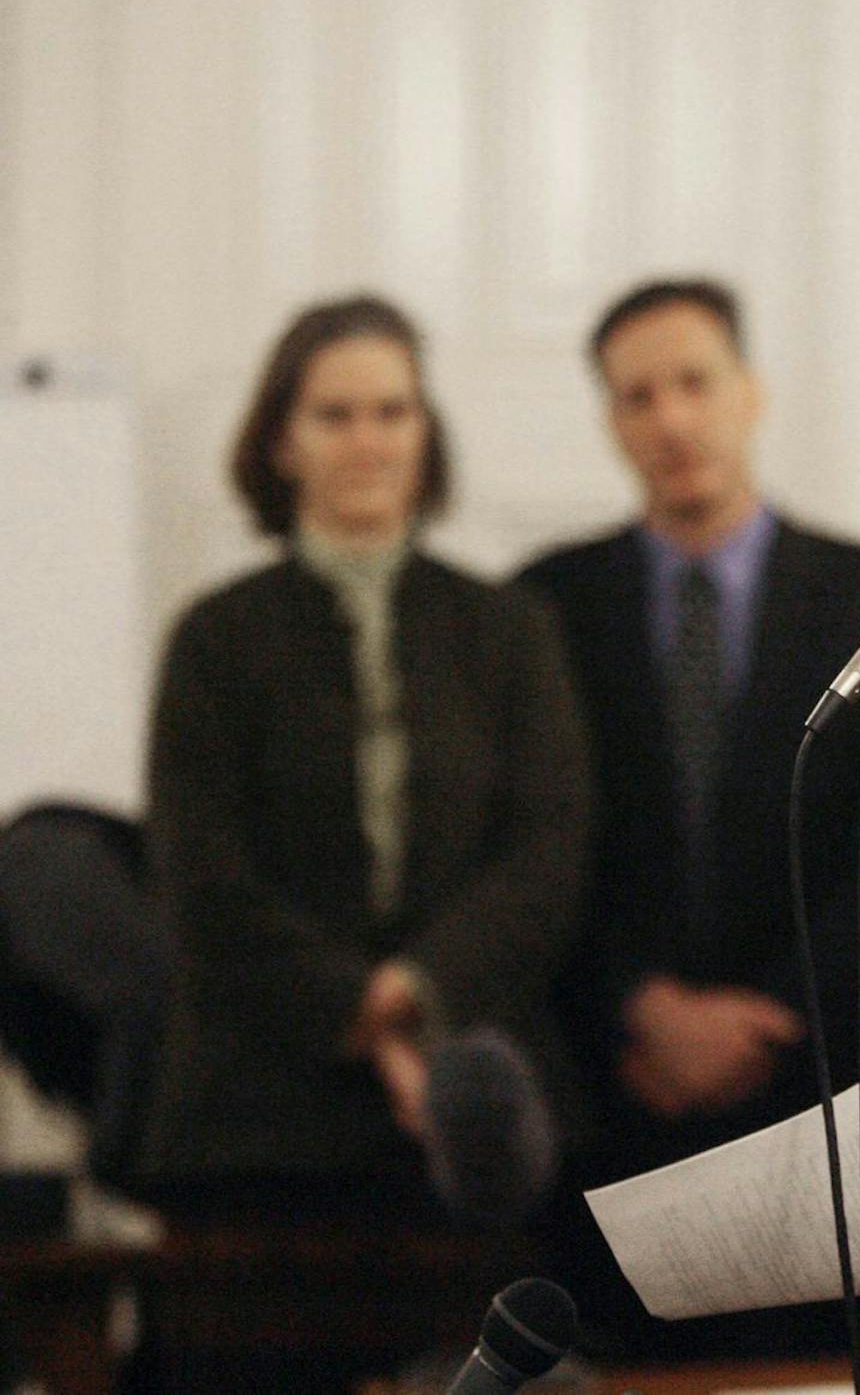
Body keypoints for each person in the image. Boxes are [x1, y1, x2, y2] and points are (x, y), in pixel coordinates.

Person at [132, 296, 591, 1383]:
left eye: (393, 411)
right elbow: (202, 879)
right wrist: (363, 1011)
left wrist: (419, 993)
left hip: (469, 1136)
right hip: (256, 1128)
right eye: (334, 414)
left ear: (426, 432)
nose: (367, 440)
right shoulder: (214, 638)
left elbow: (548, 856)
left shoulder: (509, 630)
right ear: (280, 440)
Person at [516, 279, 860, 1360]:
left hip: (823, 1099)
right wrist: (638, 1005)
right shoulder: (542, 607)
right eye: (638, 396)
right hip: (613, 1101)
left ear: (751, 392)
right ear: (611, 421)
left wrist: (772, 1013)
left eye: (695, 383)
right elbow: (527, 851)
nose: (672, 419)